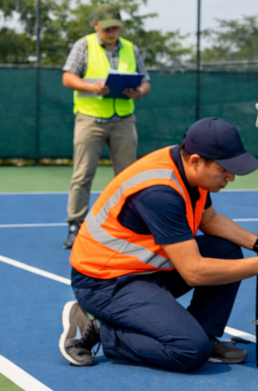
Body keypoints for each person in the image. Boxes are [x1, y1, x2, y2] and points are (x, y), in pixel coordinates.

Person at [59, 117, 258, 372]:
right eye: (224, 169)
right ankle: (99, 328)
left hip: (144, 272)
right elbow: (194, 272)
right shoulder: (160, 192)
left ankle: (205, 333)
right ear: (196, 161)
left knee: (227, 251)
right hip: (105, 283)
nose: (230, 177)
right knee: (189, 350)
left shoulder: (188, 171)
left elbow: (209, 220)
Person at [61, 3, 150, 249]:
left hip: (123, 120)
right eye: (108, 27)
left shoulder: (131, 48)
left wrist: (139, 92)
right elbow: (68, 76)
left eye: (116, 27)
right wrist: (92, 88)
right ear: (96, 25)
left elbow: (146, 82)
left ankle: (128, 226)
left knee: (128, 177)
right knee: (83, 174)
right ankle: (75, 225)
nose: (112, 31)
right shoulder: (84, 45)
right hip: (90, 119)